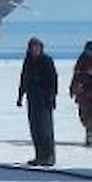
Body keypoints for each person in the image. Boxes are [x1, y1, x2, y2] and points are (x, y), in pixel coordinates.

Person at [17, 37, 59, 167]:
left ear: (41, 48)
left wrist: (51, 96)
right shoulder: (28, 61)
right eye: (32, 47)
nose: (34, 50)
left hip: (44, 99)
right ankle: (39, 156)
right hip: (32, 98)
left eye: (36, 47)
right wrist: (20, 96)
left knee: (45, 129)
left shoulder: (46, 61)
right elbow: (24, 79)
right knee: (35, 129)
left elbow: (53, 80)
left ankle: (49, 157)